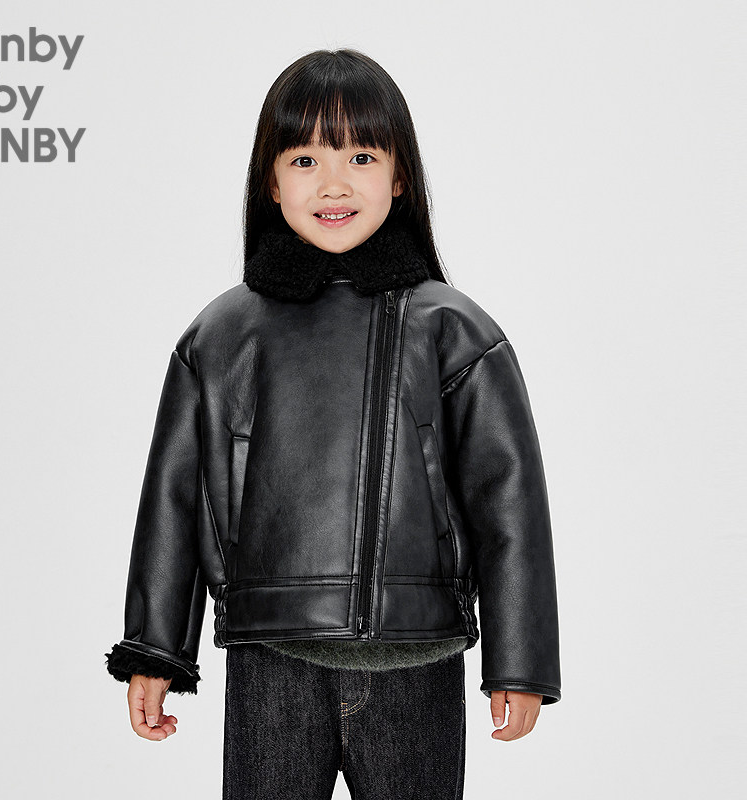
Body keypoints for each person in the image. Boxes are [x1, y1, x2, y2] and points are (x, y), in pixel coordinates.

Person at [105, 48, 561, 799]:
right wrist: (155, 649)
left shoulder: (454, 331)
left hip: (416, 661)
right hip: (271, 664)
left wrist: (521, 661)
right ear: (271, 181)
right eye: (305, 159)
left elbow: (507, 502)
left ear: (401, 176)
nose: (334, 183)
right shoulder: (221, 336)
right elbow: (176, 500)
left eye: (361, 156)